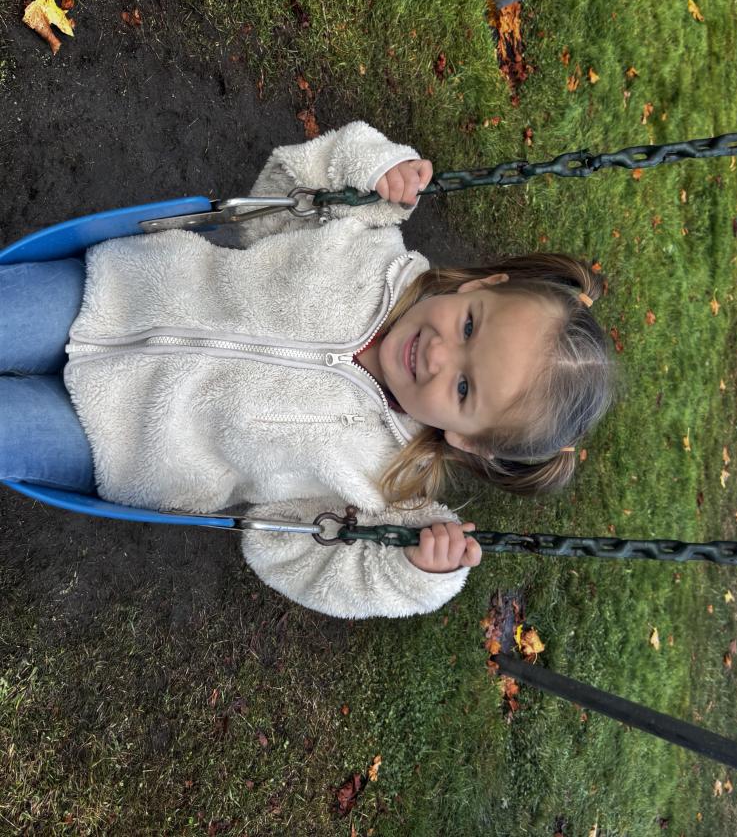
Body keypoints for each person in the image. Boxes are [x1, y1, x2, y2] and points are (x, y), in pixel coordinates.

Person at [0, 122, 613, 618]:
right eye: (470, 327)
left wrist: (412, 572)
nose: (437, 354)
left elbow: (304, 563)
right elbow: (284, 184)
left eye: (463, 386)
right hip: (116, 292)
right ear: (482, 285)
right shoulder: (366, 241)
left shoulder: (379, 487)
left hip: (115, 443)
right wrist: (371, 169)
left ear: (468, 439)